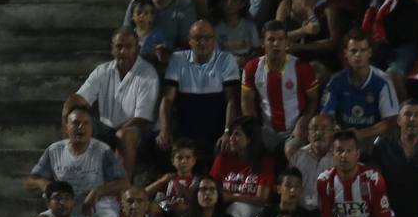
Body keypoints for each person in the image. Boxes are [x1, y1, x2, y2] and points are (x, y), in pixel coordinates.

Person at [68, 29, 160, 179]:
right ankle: (75, 178)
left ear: (137, 48)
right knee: (74, 117)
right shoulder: (102, 70)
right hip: (107, 129)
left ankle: (122, 186)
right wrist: (68, 109)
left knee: (123, 134)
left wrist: (112, 136)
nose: (123, 51)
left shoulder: (148, 73)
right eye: (118, 46)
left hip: (138, 132)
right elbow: (80, 98)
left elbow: (142, 118)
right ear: (112, 49)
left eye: (128, 47)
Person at [159, 21, 242, 157]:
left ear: (214, 40)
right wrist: (164, 130)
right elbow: (167, 99)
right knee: (164, 145)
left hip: (216, 128)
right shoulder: (178, 59)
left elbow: (232, 100)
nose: (202, 42)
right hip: (185, 128)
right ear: (189, 41)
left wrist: (227, 132)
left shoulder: (226, 60)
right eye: (197, 38)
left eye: (207, 38)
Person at [241, 21, 319, 154]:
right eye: (271, 39)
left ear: (287, 43)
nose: (276, 44)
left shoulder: (302, 68)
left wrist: (303, 122)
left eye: (280, 39)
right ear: (262, 43)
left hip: (294, 130)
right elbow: (246, 103)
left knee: (292, 150)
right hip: (266, 130)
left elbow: (314, 100)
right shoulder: (252, 68)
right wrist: (254, 131)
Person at [320, 30, 398, 145]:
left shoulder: (383, 81)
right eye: (353, 51)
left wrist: (361, 134)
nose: (358, 55)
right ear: (346, 53)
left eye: (363, 50)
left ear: (370, 52)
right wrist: (335, 128)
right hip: (341, 138)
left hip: (372, 139)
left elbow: (391, 121)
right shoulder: (335, 82)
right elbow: (325, 115)